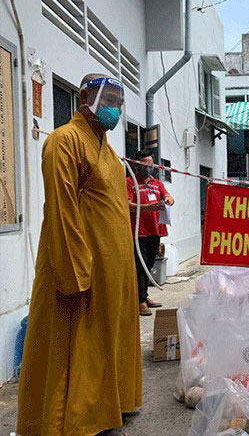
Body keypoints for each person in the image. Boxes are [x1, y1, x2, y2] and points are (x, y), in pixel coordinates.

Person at [17, 74, 142, 435]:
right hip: (82, 266)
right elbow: (61, 209)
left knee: (108, 340)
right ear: (84, 96)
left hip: (114, 268)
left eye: (119, 102)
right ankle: (73, 420)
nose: (115, 109)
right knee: (79, 346)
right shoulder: (64, 141)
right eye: (109, 100)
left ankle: (109, 406)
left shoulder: (108, 150)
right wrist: (76, 271)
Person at [127, 150, 175, 316]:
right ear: (136, 164)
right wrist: (147, 207)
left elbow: (167, 195)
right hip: (138, 231)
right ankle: (139, 301)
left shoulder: (157, 183)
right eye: (145, 163)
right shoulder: (129, 182)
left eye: (151, 163)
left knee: (149, 265)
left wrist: (169, 199)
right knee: (140, 266)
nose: (149, 167)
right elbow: (126, 204)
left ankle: (144, 296)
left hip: (155, 229)